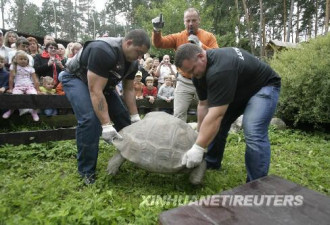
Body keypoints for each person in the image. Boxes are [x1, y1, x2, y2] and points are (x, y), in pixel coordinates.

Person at [174, 43, 281, 182]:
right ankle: (211, 162)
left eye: (193, 69)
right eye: (189, 72)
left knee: (253, 129)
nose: (193, 75)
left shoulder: (220, 69)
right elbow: (203, 105)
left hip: (264, 86)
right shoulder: (198, 75)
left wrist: (198, 147)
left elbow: (216, 115)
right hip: (239, 89)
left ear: (201, 56)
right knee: (217, 125)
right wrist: (199, 134)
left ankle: (256, 184)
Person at [58, 29, 150, 184]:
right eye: (138, 52)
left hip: (103, 85)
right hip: (76, 78)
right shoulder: (103, 50)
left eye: (142, 55)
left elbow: (128, 90)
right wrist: (106, 125)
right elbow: (95, 90)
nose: (140, 58)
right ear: (128, 43)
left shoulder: (133, 63)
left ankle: (133, 158)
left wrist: (135, 117)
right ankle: (86, 172)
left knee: (123, 119)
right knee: (90, 120)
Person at [152, 8, 218, 122]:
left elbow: (217, 55)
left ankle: (204, 138)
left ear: (199, 20)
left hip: (204, 81)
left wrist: (201, 45)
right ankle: (179, 139)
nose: (190, 24)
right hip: (184, 81)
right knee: (178, 115)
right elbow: (159, 43)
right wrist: (156, 30)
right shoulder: (178, 37)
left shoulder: (208, 36)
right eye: (188, 21)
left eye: (193, 20)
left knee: (208, 114)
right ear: (184, 21)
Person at [2, 50, 40, 121]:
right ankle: (11, 110)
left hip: (29, 86)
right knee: (15, 96)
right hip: (18, 87)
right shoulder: (14, 67)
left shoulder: (30, 68)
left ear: (28, 60)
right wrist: (10, 88)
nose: (23, 60)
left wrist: (37, 90)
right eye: (21, 59)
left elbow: (35, 80)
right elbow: (11, 78)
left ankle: (33, 111)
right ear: (16, 59)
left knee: (34, 95)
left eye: (25, 59)